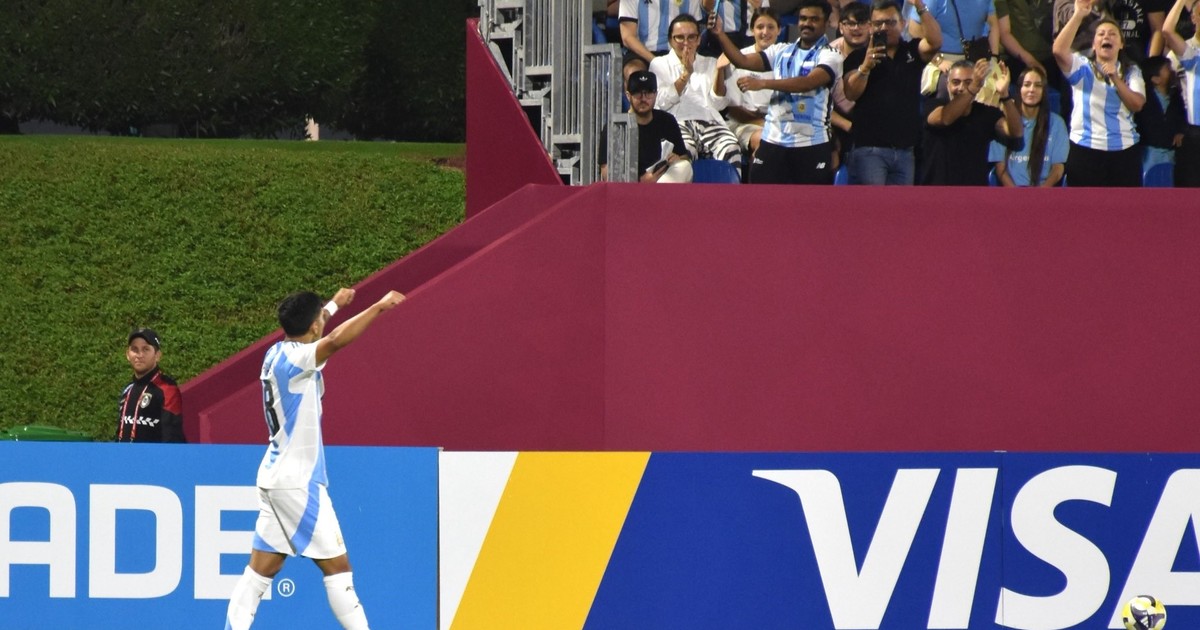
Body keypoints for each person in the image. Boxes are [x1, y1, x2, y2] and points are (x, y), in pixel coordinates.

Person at [225, 287, 406, 630]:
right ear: (313, 327)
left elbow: (319, 328)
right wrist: (379, 307)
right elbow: (334, 340)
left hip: (275, 477)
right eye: (319, 317)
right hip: (298, 482)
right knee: (338, 570)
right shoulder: (299, 359)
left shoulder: (276, 353)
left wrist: (335, 304)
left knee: (261, 570)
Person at [710, 0, 845, 184]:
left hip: (811, 142)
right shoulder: (781, 50)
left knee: (807, 201)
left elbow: (807, 83)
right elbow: (742, 60)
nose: (807, 23)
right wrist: (720, 34)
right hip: (773, 139)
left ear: (827, 22)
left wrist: (763, 83)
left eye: (814, 19)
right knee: (762, 197)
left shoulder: (831, 55)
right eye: (803, 18)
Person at [844, 0, 944, 184]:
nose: (884, 28)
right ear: (870, 26)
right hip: (870, 149)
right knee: (873, 202)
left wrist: (920, 7)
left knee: (901, 204)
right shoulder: (857, 57)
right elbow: (850, 93)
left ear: (902, 23)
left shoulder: (913, 51)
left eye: (890, 22)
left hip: (906, 150)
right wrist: (865, 68)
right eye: (878, 23)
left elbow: (935, 41)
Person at [1054, 0, 1146, 186]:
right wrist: (1078, 15)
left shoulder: (1131, 71)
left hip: (1124, 151)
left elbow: (1137, 104)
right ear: (1094, 45)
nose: (1107, 37)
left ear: (1121, 44)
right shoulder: (1082, 67)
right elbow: (1058, 51)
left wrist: (1115, 78)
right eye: (1101, 34)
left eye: (1113, 34)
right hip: (1086, 150)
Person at [651, 14, 745, 178]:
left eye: (691, 37)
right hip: (677, 122)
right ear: (671, 40)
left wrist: (719, 71)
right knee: (684, 150)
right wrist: (685, 75)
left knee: (731, 147)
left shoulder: (710, 62)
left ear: (699, 39)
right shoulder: (659, 64)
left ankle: (732, 193)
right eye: (680, 37)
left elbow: (718, 104)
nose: (686, 43)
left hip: (709, 121)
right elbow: (661, 103)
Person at [921, 58, 1024, 183]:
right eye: (955, 82)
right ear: (947, 84)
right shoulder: (933, 106)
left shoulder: (986, 112)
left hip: (974, 191)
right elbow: (945, 119)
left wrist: (1005, 95)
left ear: (980, 85)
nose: (961, 88)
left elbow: (1016, 132)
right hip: (935, 190)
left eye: (968, 82)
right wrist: (972, 87)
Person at [599, 71, 695, 182]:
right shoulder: (616, 127)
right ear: (628, 95)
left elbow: (684, 157)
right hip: (630, 188)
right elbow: (606, 173)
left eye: (649, 93)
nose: (643, 98)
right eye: (638, 93)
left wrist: (677, 159)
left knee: (685, 166)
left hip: (665, 182)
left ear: (656, 94)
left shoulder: (667, 121)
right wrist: (640, 182)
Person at [989, 66, 1070, 184]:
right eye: (1027, 85)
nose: (1032, 90)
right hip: (1012, 191)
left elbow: (1058, 169)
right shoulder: (1003, 122)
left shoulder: (1057, 123)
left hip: (1044, 192)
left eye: (1038, 85)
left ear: (1044, 91)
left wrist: (1041, 193)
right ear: (1019, 89)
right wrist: (1016, 194)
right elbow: (1000, 168)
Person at [721, 8, 785, 156]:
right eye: (760, 27)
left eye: (771, 27)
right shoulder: (738, 58)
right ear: (752, 30)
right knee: (766, 141)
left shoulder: (788, 58)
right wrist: (765, 123)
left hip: (780, 122)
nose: (765, 32)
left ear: (779, 30)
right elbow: (733, 109)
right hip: (745, 123)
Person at [116, 328, 185, 443]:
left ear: (157, 355)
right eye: (134, 349)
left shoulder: (167, 389)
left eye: (146, 349)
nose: (139, 355)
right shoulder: (127, 389)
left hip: (154, 455)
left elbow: (172, 438)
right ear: (128, 355)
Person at [1160, 0, 1200, 185]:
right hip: (1195, 134)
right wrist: (1181, 1)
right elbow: (1167, 30)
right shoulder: (1192, 56)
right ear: (1194, 18)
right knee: (1190, 191)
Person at [1135, 55, 1187, 173]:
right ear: (1156, 79)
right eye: (1167, 69)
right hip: (1147, 157)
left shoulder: (1176, 97)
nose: (1172, 71)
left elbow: (1182, 119)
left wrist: (1181, 132)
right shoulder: (1144, 99)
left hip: (1172, 156)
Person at [619, 0, 705, 62]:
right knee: (634, 72)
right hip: (642, 53)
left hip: (679, 52)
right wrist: (656, 62)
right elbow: (628, 37)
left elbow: (695, 32)